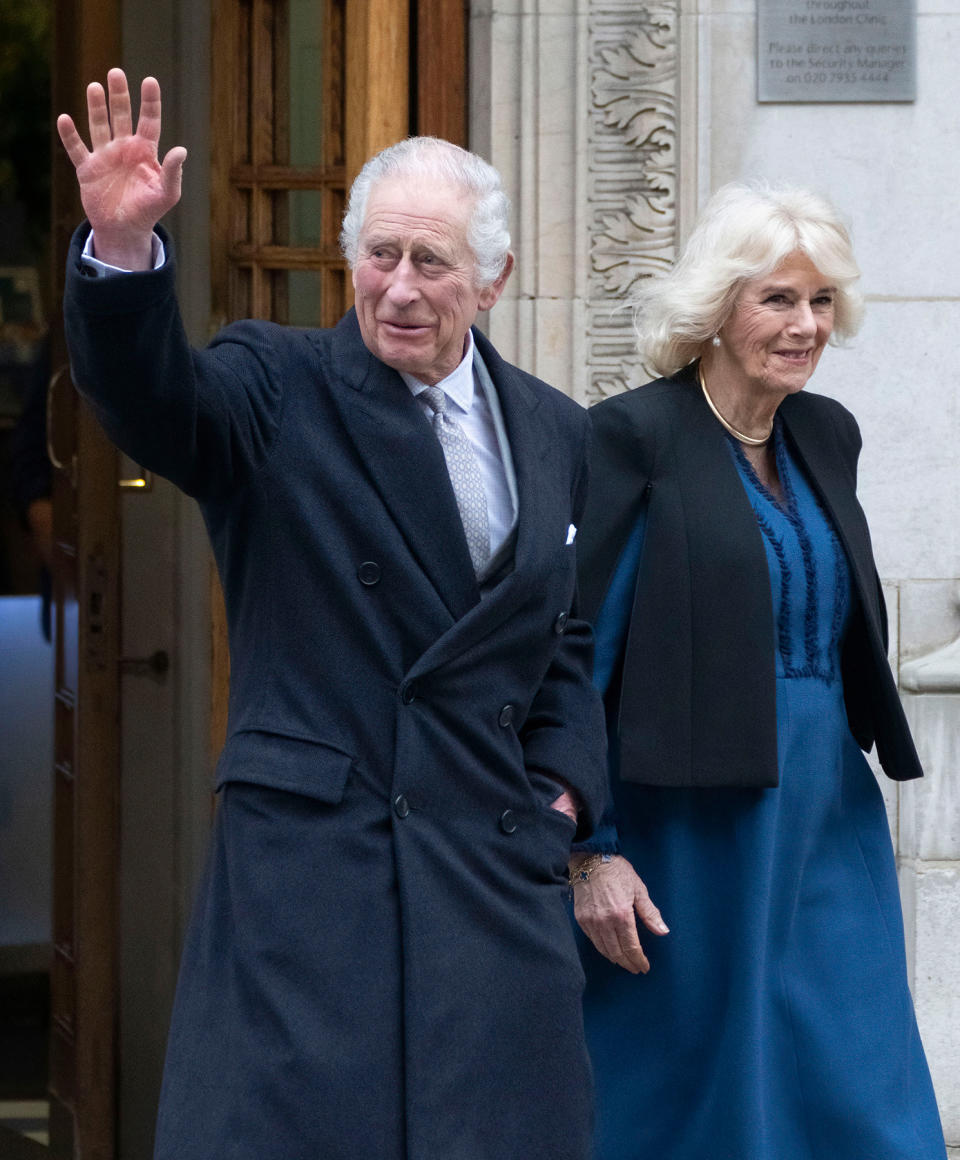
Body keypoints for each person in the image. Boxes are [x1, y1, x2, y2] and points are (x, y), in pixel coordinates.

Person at [57, 69, 607, 1160]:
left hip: (489, 885)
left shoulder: (557, 431)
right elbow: (160, 401)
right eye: (379, 255)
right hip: (318, 885)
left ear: (492, 280)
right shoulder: (278, 383)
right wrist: (121, 257)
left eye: (431, 263)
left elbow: (562, 642)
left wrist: (563, 794)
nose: (399, 288)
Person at [569, 182, 947, 1160]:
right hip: (691, 826)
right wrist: (589, 848)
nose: (806, 324)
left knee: (861, 1077)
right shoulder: (634, 437)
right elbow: (580, 656)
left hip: (826, 811)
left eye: (821, 301)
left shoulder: (827, 434)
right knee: (703, 1092)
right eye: (779, 298)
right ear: (717, 307)